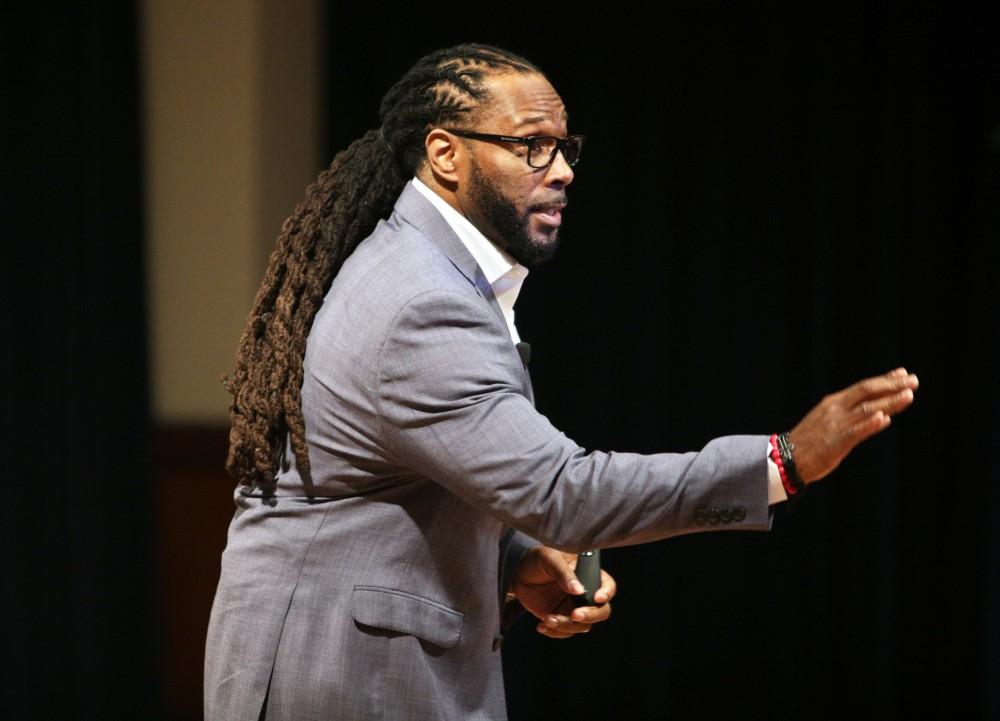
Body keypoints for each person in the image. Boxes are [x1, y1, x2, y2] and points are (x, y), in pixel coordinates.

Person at [204, 43, 918, 721]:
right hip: (338, 671)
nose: (564, 169)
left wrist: (512, 560)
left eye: (565, 147)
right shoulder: (423, 300)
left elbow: (405, 480)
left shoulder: (428, 270)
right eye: (531, 145)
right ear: (445, 153)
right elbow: (560, 492)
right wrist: (783, 462)